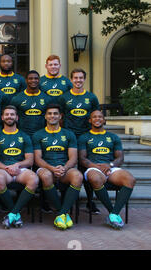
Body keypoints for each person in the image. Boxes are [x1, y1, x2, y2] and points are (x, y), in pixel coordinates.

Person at [78, 110, 135, 229]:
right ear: (90, 120)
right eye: (94, 117)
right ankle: (112, 213)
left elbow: (120, 157)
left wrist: (110, 165)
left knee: (130, 179)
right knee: (95, 178)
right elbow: (82, 159)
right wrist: (95, 166)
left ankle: (113, 214)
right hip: (93, 167)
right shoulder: (84, 137)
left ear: (104, 120)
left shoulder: (113, 137)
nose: (97, 119)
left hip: (110, 167)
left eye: (100, 117)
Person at [32, 104, 82, 230]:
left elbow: (73, 158)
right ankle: (63, 213)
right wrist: (52, 168)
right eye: (49, 114)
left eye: (55, 114)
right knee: (46, 175)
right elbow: (37, 158)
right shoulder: (38, 135)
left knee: (78, 176)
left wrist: (64, 168)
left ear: (60, 116)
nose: (52, 116)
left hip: (64, 168)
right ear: (45, 116)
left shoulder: (69, 134)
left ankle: (60, 214)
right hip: (46, 167)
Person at [58, 68, 100, 214]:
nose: (78, 80)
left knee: (85, 168)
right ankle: (65, 200)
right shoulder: (64, 97)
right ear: (71, 80)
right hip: (69, 136)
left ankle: (90, 201)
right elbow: (60, 117)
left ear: (84, 79)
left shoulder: (91, 98)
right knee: (67, 167)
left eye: (81, 78)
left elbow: (96, 116)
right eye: (75, 78)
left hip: (85, 137)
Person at [0, 105, 38, 229]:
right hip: (4, 169)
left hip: (21, 169)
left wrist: (17, 165)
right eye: (6, 114)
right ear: (2, 118)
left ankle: (11, 214)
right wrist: (7, 168)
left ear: (16, 117)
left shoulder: (24, 136)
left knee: (34, 179)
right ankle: (15, 214)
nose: (9, 116)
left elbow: (30, 160)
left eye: (12, 114)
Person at [10, 70, 52, 137]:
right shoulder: (17, 98)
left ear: (39, 80)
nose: (33, 80)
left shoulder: (47, 98)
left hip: (42, 135)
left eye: (36, 78)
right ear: (26, 80)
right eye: (30, 78)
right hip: (23, 135)